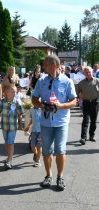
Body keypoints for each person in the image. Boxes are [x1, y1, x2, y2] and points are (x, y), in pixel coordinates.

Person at [32, 55, 77, 191]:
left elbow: (74, 101)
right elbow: (34, 98)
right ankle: (48, 175)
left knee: (60, 150)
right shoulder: (41, 81)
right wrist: (42, 106)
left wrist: (60, 105)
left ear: (54, 66)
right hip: (45, 122)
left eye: (45, 64)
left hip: (61, 121)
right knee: (46, 151)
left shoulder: (67, 81)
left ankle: (60, 177)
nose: (44, 67)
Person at [0, 86, 23, 171]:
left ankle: (9, 161)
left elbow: (20, 114)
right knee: (7, 142)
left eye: (15, 92)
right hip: (4, 126)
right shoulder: (2, 102)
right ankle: (9, 157)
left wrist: (20, 125)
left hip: (12, 126)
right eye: (12, 92)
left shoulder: (17, 102)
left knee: (10, 142)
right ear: (6, 93)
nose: (14, 93)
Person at [76, 66, 99, 145]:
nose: (88, 73)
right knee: (85, 120)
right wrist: (79, 99)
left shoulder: (97, 81)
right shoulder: (81, 83)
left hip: (95, 102)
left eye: (89, 71)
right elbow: (77, 92)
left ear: (92, 71)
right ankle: (83, 137)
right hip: (86, 103)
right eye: (86, 72)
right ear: (84, 73)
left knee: (93, 121)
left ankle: (91, 136)